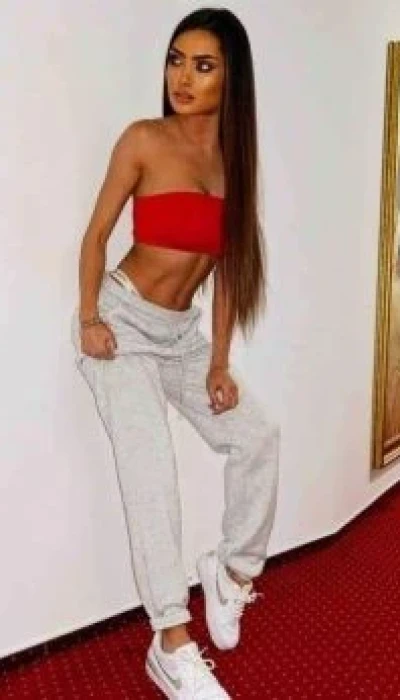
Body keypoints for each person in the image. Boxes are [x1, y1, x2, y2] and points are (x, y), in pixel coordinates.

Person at [70, 7, 280, 699]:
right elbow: (96, 235)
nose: (182, 78)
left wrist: (217, 362)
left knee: (258, 435)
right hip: (123, 325)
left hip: (182, 338)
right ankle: (170, 639)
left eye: (203, 65)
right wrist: (90, 316)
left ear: (232, 79)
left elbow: (227, 275)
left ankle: (232, 572)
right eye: (176, 60)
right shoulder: (144, 140)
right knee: (152, 472)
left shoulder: (234, 167)